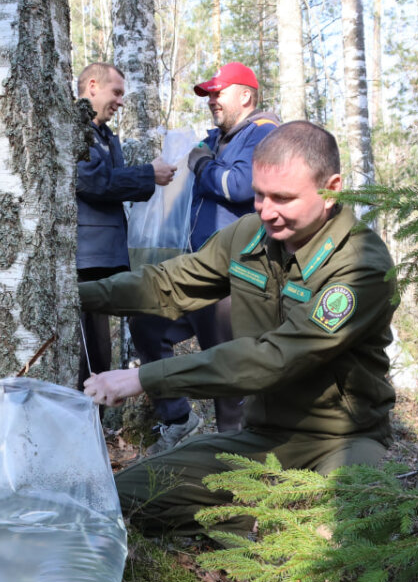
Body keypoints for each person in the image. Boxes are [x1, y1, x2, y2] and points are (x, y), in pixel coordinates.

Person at [80, 121, 396, 538]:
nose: (265, 210)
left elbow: (275, 358)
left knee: (347, 534)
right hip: (263, 439)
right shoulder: (250, 235)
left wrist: (143, 377)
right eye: (260, 194)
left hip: (342, 441)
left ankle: (286, 521)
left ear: (331, 188)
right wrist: (77, 296)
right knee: (121, 498)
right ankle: (255, 519)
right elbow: (167, 283)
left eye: (283, 198)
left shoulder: (360, 265)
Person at [130, 62, 281, 455]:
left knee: (227, 372)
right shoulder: (216, 139)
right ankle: (179, 417)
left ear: (246, 95)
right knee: (146, 323)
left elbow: (240, 186)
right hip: (199, 269)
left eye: (219, 92)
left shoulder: (264, 133)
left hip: (238, 274)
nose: (212, 100)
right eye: (208, 94)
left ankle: (238, 468)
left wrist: (200, 164)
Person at [75, 62, 176, 390]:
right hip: (85, 262)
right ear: (92, 86)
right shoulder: (76, 129)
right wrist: (148, 174)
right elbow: (93, 182)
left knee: (101, 354)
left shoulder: (105, 136)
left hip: (106, 259)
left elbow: (111, 184)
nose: (120, 101)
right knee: (88, 358)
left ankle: (96, 427)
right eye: (115, 92)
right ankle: (86, 430)